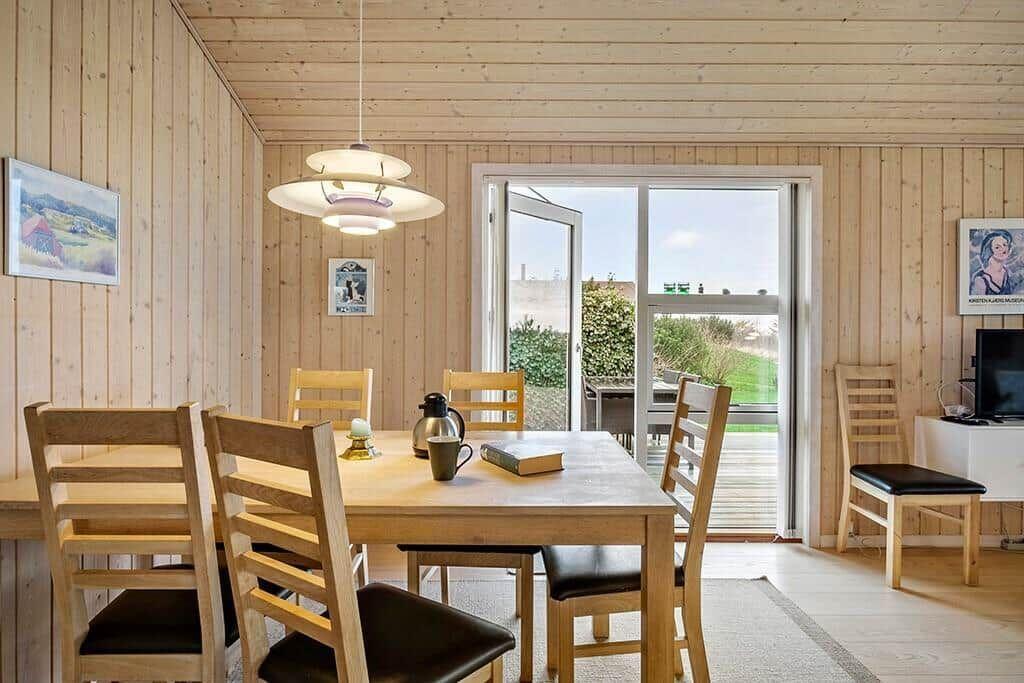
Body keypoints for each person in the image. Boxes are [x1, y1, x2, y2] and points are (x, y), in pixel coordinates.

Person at [971, 229, 1018, 296]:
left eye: (1005, 245)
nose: (1003, 249)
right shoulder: (980, 280)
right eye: (997, 247)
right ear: (989, 251)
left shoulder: (1007, 272)